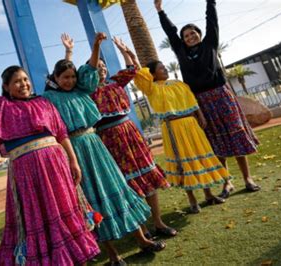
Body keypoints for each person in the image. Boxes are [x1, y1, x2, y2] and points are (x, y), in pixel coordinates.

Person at [0, 39, 100, 265]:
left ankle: (75, 258)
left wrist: (73, 161)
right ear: (6, 87)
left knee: (64, 211)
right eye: (16, 82)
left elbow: (61, 134)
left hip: (55, 166)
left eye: (25, 80)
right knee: (38, 217)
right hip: (26, 173)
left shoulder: (44, 103)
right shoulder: (1, 107)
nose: (23, 84)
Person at [44, 33, 165, 265]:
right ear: (56, 78)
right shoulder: (49, 98)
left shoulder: (83, 90)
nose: (69, 80)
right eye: (64, 77)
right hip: (74, 151)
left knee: (118, 186)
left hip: (96, 145)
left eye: (72, 76)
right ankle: (113, 255)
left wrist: (96, 46)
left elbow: (90, 68)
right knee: (91, 198)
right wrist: (68, 53)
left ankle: (142, 239)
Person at [154, 0, 260, 198]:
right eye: (186, 35)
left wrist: (210, 2)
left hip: (221, 96)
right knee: (214, 141)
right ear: (182, 40)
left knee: (234, 134)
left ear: (200, 35)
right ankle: (226, 182)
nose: (190, 37)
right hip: (201, 103)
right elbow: (171, 32)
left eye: (193, 33)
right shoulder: (180, 51)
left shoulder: (210, 44)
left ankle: (248, 179)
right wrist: (160, 11)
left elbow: (212, 20)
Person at [81, 35, 176, 237]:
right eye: (97, 66)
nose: (102, 69)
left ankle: (158, 222)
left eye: (104, 66)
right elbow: (89, 70)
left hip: (130, 133)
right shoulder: (88, 91)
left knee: (146, 174)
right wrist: (96, 46)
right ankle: (140, 230)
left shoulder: (116, 82)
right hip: (108, 139)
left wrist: (125, 50)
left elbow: (132, 68)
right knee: (124, 184)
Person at [134, 60, 232, 213]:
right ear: (152, 74)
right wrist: (132, 57)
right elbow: (141, 75)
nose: (165, 69)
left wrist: (201, 116)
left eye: (164, 66)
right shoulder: (151, 88)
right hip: (173, 128)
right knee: (184, 162)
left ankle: (208, 195)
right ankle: (192, 200)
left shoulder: (179, 84)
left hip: (191, 125)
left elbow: (192, 100)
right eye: (161, 68)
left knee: (199, 158)